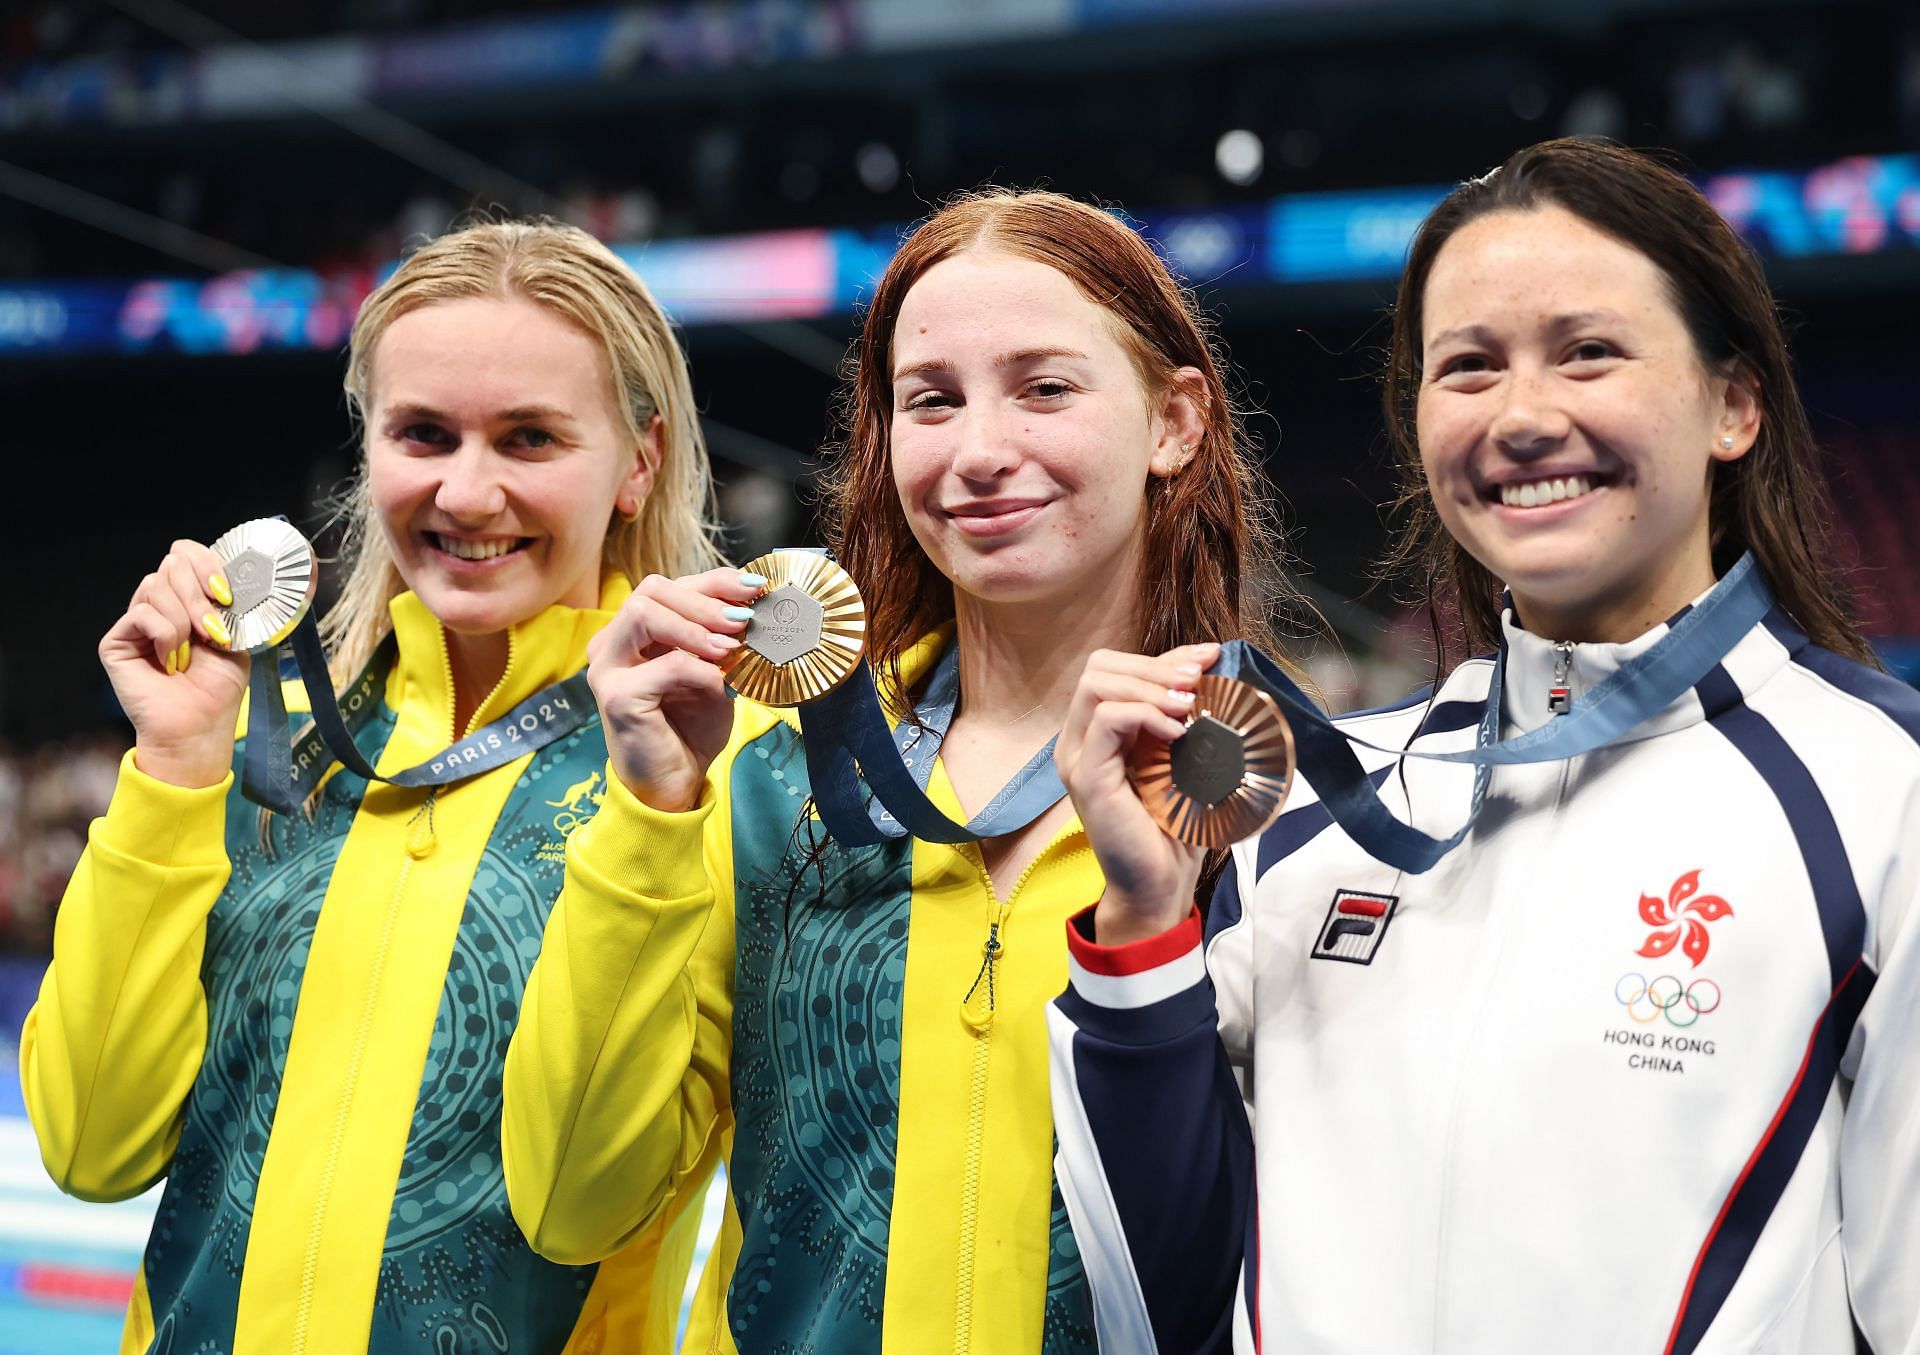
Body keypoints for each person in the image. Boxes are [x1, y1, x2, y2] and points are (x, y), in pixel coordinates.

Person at [1048, 137, 1920, 1355]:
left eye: (1589, 352)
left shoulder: (1885, 793)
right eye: (1468, 367)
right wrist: (1144, 921)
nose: (1521, 416)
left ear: (1734, 405)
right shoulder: (1305, 805)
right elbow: (1160, 1306)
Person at [500, 187, 1305, 1353]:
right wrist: (648, 813)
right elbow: (575, 1202)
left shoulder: (1284, 801)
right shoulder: (770, 785)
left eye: (1046, 386)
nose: (980, 451)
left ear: (1175, 421)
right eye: (932, 400)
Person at [20, 219, 725, 1354]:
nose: (469, 489)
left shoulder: (716, 776)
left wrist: (651, 815)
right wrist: (171, 773)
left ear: (638, 461)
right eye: (423, 433)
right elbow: (90, 1141)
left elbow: (596, 1196)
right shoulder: (259, 753)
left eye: (531, 438)